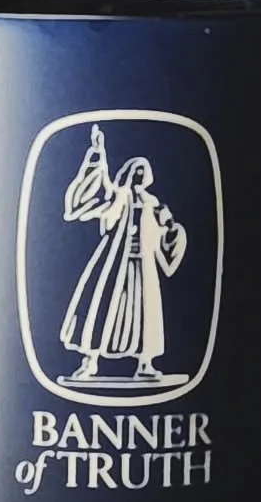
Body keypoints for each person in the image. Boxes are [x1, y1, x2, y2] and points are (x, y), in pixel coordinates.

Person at [60, 122, 187, 381]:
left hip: (143, 267)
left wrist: (172, 231)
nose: (140, 176)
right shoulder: (119, 197)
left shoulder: (153, 203)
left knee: (144, 315)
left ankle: (145, 364)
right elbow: (101, 194)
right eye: (136, 171)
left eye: (144, 172)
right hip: (115, 264)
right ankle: (90, 362)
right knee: (103, 310)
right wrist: (98, 156)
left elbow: (168, 230)